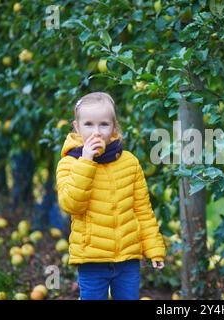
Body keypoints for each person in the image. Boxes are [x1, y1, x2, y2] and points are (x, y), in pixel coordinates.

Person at [56, 92, 165, 300]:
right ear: (77, 127)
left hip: (128, 260)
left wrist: (154, 248)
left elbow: (142, 210)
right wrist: (86, 161)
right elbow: (70, 204)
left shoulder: (129, 162)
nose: (96, 132)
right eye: (89, 124)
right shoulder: (69, 163)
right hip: (92, 259)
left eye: (104, 125)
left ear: (114, 127)